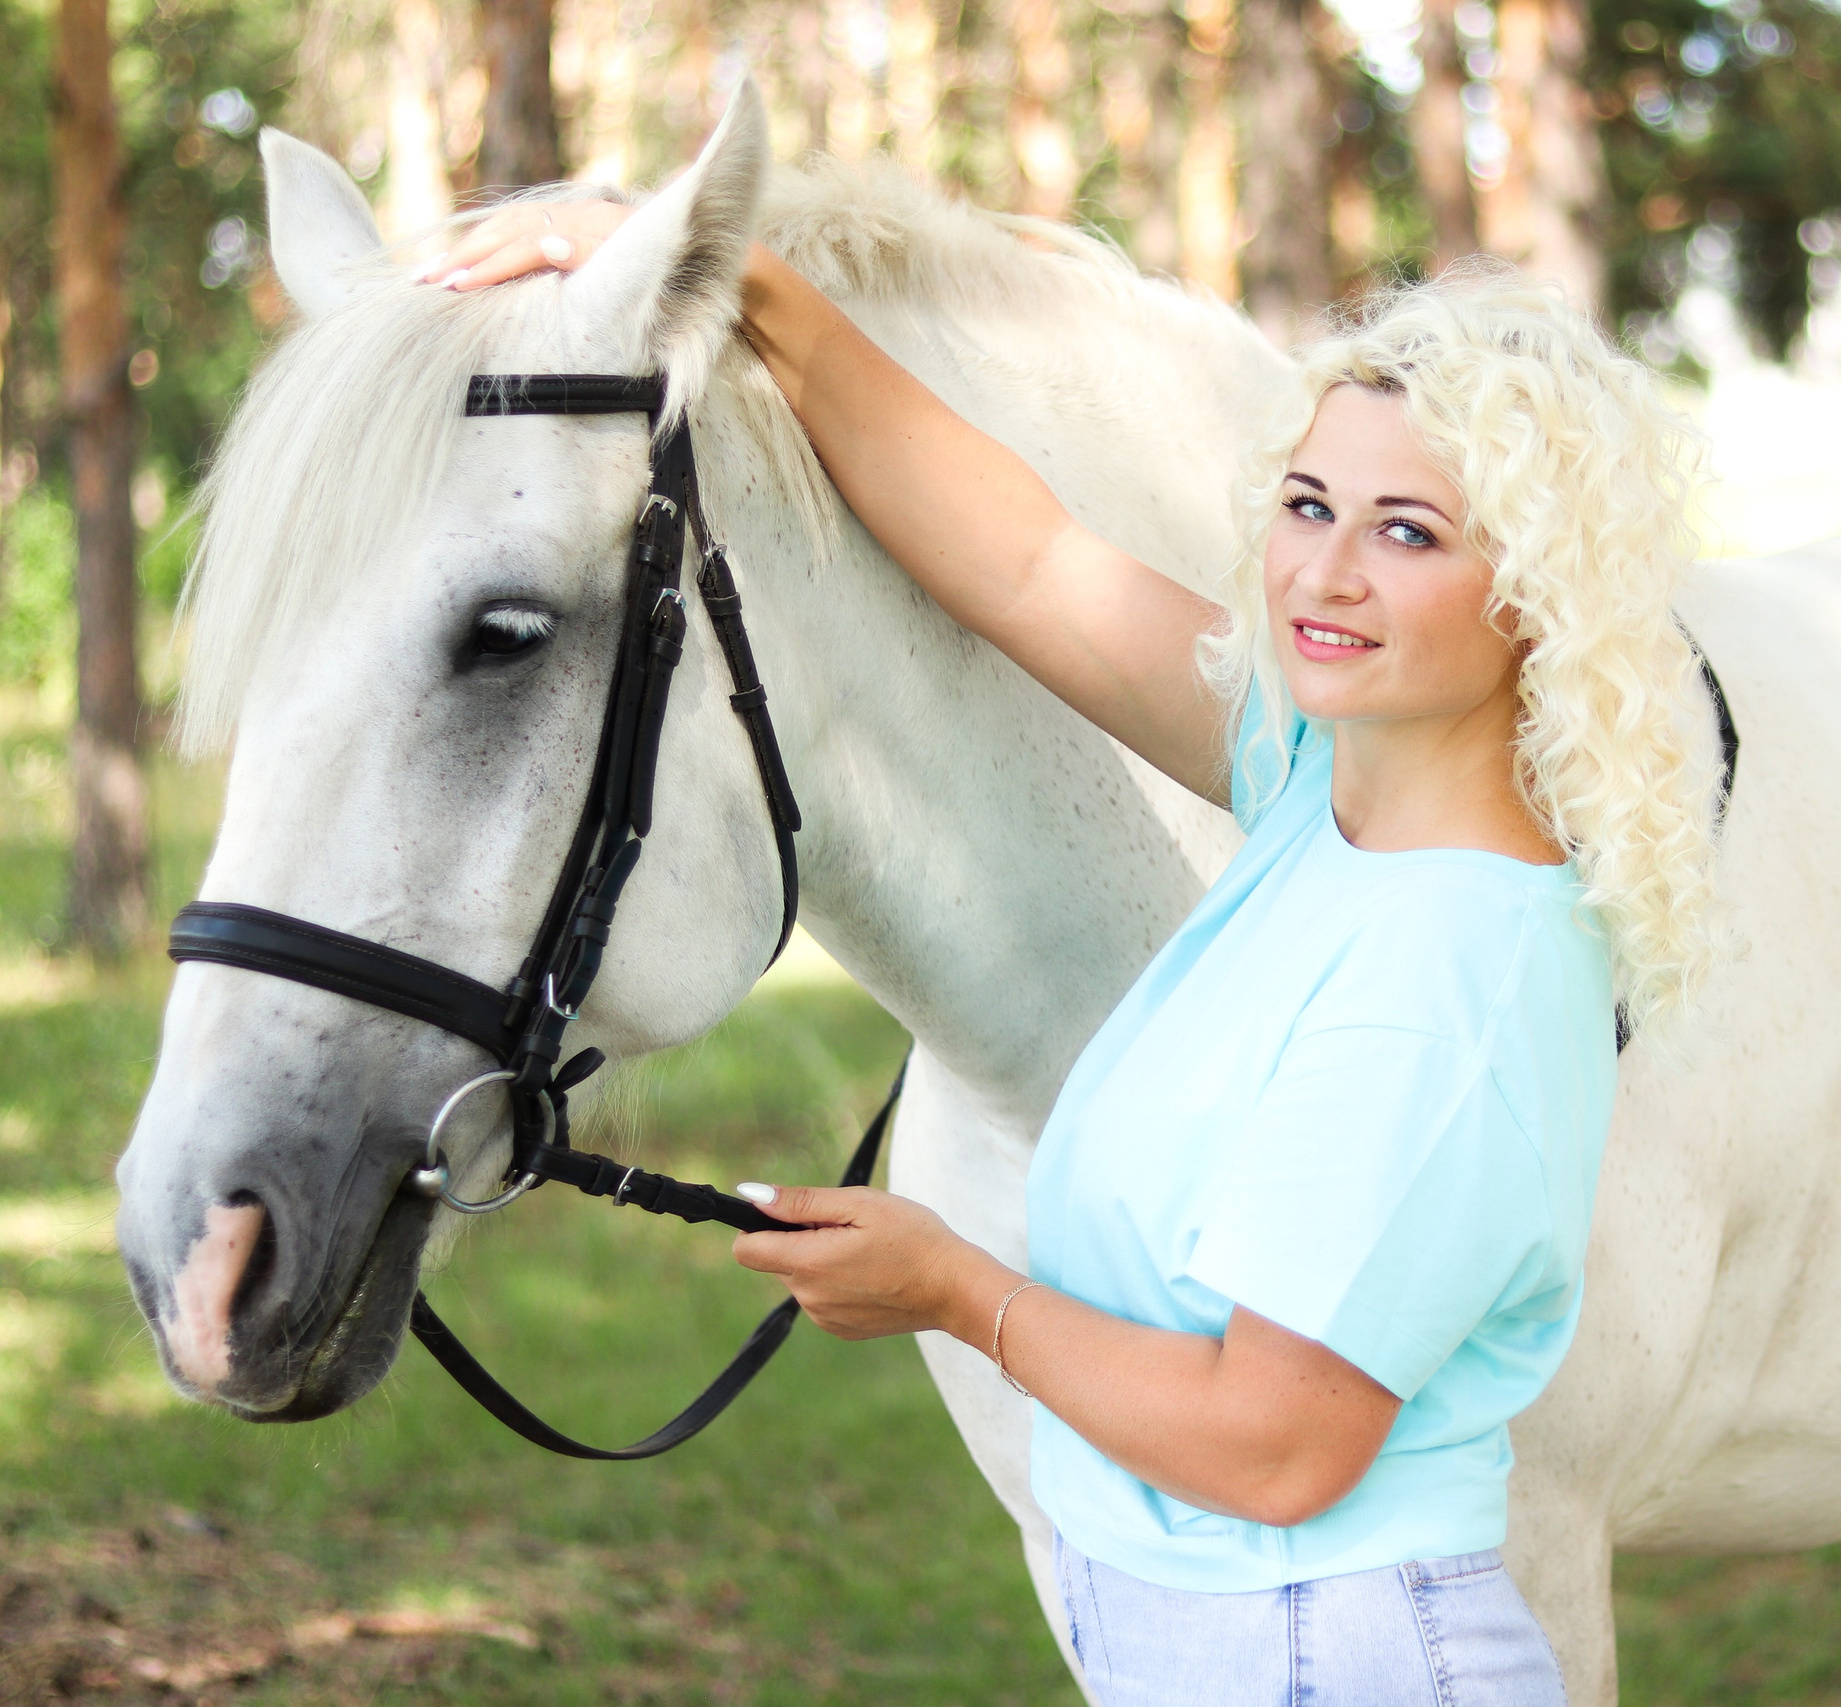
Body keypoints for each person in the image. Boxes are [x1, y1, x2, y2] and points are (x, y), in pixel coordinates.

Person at [433, 193, 1717, 1704]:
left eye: (1409, 532)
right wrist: (746, 281)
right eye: (1308, 506)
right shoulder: (1322, 788)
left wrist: (957, 1292)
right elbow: (1028, 560)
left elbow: (1279, 1442)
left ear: (1534, 597)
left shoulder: (1448, 972)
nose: (1325, 576)